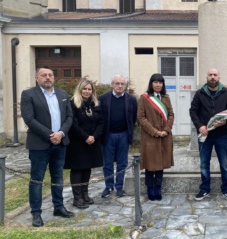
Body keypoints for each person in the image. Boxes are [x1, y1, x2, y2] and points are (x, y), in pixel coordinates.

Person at [20, 67, 74, 227]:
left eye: (50, 75)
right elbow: (29, 119)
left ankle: (58, 207)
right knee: (37, 179)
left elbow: (70, 117)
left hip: (60, 143)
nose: (48, 77)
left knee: (57, 177)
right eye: (44, 75)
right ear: (37, 78)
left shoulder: (63, 94)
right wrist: (51, 134)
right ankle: (36, 213)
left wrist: (61, 133)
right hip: (40, 144)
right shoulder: (28, 95)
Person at [190, 68, 227, 202]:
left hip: (222, 135)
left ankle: (226, 190)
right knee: (204, 164)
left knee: (224, 164)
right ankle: (204, 189)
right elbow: (193, 111)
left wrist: (225, 121)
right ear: (206, 77)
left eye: (215, 75)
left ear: (219, 77)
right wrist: (200, 126)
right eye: (210, 75)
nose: (212, 77)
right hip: (205, 135)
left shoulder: (226, 93)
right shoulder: (200, 94)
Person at [64, 79, 104, 209]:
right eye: (84, 89)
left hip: (92, 141)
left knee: (87, 168)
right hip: (78, 142)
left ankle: (85, 194)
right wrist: (85, 137)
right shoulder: (72, 104)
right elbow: (73, 124)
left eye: (89, 89)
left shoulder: (96, 104)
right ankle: (77, 198)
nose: (87, 91)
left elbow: (101, 123)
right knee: (77, 169)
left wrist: (94, 136)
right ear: (79, 90)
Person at [138, 73, 175, 201]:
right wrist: (155, 131)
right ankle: (150, 189)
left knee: (160, 165)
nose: (158, 84)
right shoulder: (144, 98)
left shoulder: (166, 98)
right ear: (151, 83)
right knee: (150, 165)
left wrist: (166, 130)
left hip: (164, 137)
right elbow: (141, 118)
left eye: (160, 82)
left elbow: (171, 115)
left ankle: (158, 188)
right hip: (150, 138)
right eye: (155, 82)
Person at [100, 75, 138, 198]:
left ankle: (119, 187)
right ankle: (108, 186)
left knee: (122, 163)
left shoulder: (131, 99)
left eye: (122, 83)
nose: (120, 86)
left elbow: (133, 117)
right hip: (108, 135)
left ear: (125, 85)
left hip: (123, 135)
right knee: (107, 163)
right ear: (112, 84)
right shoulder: (103, 98)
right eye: (117, 83)